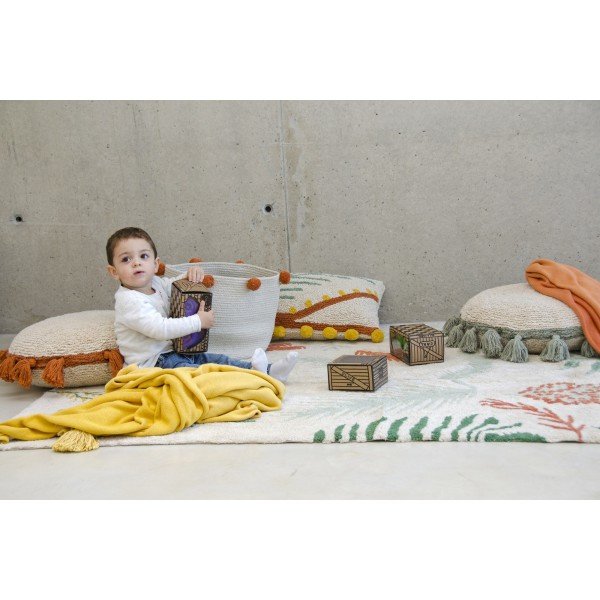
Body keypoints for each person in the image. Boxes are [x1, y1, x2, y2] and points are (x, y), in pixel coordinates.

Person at [105, 227, 298, 382]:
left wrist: (189, 275)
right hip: (152, 365)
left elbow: (173, 286)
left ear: (155, 265)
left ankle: (268, 371)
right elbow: (160, 329)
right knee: (203, 374)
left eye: (143, 256)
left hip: (174, 352)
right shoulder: (129, 300)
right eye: (126, 259)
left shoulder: (155, 283)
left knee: (217, 359)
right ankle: (250, 379)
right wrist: (198, 321)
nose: (136, 263)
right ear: (114, 272)